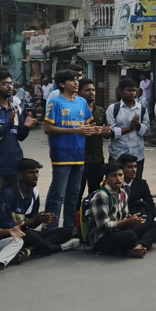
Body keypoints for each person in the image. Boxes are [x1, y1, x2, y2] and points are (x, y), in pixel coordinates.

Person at [44, 69, 104, 230]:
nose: (76, 82)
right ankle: (52, 228)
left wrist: (97, 130)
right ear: (62, 84)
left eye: (77, 79)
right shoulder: (55, 102)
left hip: (79, 153)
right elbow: (48, 128)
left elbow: (87, 126)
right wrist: (74, 131)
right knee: (58, 195)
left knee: (73, 194)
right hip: (62, 154)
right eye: (72, 80)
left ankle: (69, 227)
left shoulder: (82, 103)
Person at [0, 158, 77, 258]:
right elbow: (3, 224)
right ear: (21, 175)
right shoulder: (8, 195)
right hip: (9, 235)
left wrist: (41, 220)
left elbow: (32, 223)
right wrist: (32, 221)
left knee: (66, 232)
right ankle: (53, 248)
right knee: (31, 235)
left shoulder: (35, 193)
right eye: (31, 173)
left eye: (37, 172)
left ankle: (30, 250)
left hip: (26, 233)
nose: (36, 176)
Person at [0, 71, 36, 196]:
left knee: (13, 203)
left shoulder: (15, 109)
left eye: (11, 83)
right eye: (5, 84)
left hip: (15, 165)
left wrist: (26, 127)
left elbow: (20, 137)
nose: (10, 86)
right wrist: (8, 124)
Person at [90, 162, 156, 257]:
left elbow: (124, 219)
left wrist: (133, 220)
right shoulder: (101, 196)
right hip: (102, 238)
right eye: (114, 176)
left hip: (120, 232)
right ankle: (129, 250)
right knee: (130, 236)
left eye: (120, 175)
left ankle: (139, 246)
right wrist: (127, 222)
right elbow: (103, 227)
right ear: (106, 179)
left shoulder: (123, 193)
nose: (118, 179)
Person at [107, 78, 149, 176]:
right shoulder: (113, 109)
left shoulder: (142, 109)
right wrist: (130, 128)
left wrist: (137, 125)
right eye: (129, 90)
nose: (132, 93)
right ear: (121, 91)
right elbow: (111, 131)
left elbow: (147, 131)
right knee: (117, 182)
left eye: (134, 90)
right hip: (117, 154)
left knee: (135, 184)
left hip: (137, 155)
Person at [79, 78, 111, 198]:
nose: (91, 92)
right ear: (79, 92)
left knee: (95, 194)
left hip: (97, 159)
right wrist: (92, 132)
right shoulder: (77, 111)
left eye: (92, 90)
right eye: (87, 90)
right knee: (77, 193)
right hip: (81, 158)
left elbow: (107, 133)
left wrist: (106, 132)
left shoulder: (100, 111)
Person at [119, 154, 156, 222]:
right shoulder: (115, 183)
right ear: (122, 169)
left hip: (136, 217)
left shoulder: (141, 184)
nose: (134, 170)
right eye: (130, 167)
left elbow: (149, 203)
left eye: (135, 167)